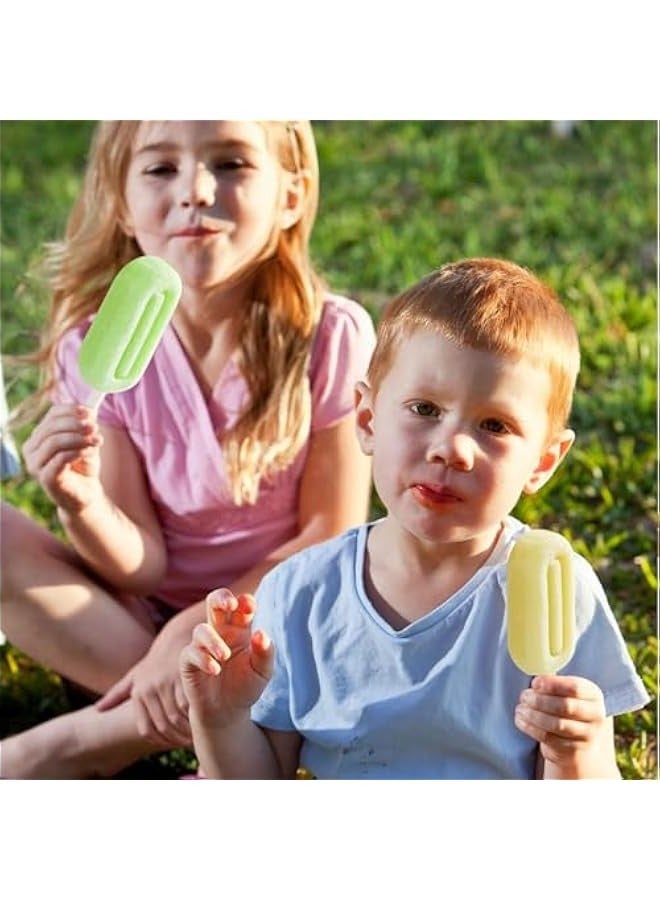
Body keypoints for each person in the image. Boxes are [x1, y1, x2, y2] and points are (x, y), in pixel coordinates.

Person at [0, 120, 376, 779]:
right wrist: (80, 502)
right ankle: (203, 715)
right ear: (119, 201)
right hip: (136, 633)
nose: (196, 190)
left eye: (231, 164)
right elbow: (140, 565)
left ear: (292, 194)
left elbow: (330, 536)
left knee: (284, 641)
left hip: (278, 623)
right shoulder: (95, 354)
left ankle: (81, 743)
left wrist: (205, 619)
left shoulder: (331, 338)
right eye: (159, 169)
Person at [179, 257, 649, 779]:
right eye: (425, 409)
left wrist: (574, 752)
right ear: (367, 419)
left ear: (542, 461)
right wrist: (221, 721)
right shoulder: (300, 595)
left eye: (494, 425)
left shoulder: (559, 592)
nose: (451, 449)